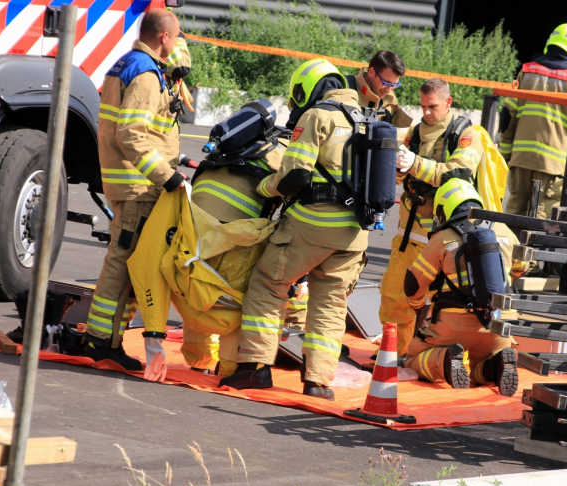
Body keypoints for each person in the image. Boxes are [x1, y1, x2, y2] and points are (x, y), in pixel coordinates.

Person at [219, 58, 368, 400]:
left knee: (268, 283)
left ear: (309, 89)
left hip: (314, 225)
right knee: (330, 303)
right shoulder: (368, 118)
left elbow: (295, 176)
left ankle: (254, 368)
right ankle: (318, 382)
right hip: (356, 234)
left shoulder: (318, 115)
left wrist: (265, 188)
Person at [85, 9, 186, 370]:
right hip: (138, 186)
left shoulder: (126, 63)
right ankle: (100, 341)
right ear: (164, 37)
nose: (176, 46)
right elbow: (131, 133)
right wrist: (166, 176)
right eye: (176, 38)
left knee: (125, 262)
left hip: (127, 181)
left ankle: (104, 338)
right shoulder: (145, 72)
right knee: (124, 264)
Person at [379, 78, 483, 357]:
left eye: (433, 106)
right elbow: (403, 176)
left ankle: (434, 357)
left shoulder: (465, 134)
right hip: (406, 235)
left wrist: (415, 164)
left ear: (448, 102)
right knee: (393, 296)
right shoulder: (414, 133)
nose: (426, 112)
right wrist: (399, 166)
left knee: (444, 303)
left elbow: (458, 172)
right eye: (423, 106)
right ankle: (394, 355)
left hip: (442, 239)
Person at [403, 178, 528, 396]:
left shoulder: (443, 237)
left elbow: (413, 282)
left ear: (443, 209)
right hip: (500, 324)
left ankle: (444, 360)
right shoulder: (505, 231)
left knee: (413, 357)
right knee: (483, 364)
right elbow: (523, 267)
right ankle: (495, 365)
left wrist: (416, 306)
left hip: (453, 325)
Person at [180, 136, 289, 375]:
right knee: (234, 303)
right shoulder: (285, 154)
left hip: (196, 229)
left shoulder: (231, 145)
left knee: (197, 292)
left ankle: (198, 361)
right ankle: (228, 370)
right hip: (237, 236)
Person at [500, 22, 567, 219]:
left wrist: (506, 153)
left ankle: (508, 249)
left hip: (521, 159)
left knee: (514, 212)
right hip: (552, 166)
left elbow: (507, 117)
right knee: (542, 219)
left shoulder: (526, 72)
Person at [345, 50, 412, 128]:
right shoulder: (344, 86)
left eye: (394, 85)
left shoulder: (389, 104)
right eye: (386, 83)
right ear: (371, 72)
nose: (389, 90)